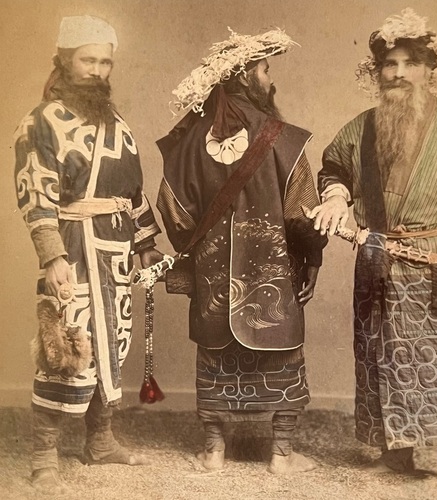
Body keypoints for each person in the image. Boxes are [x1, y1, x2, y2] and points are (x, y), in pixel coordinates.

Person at [307, 8, 437, 494]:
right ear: (376, 73)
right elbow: (334, 168)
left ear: (430, 69)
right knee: (380, 356)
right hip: (375, 259)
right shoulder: (362, 128)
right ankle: (396, 453)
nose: (398, 73)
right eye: (389, 65)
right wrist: (335, 195)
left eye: (410, 63)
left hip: (435, 263)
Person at [156, 28, 327, 474]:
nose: (272, 80)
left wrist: (196, 257)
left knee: (213, 356)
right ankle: (282, 456)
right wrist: (311, 257)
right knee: (283, 352)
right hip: (273, 275)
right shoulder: (284, 138)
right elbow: (303, 212)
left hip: (213, 281)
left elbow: (173, 210)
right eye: (266, 69)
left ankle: (213, 451)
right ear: (248, 76)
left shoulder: (189, 141)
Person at [14, 15, 163, 493]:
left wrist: (146, 245)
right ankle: (44, 453)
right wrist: (52, 255)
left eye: (105, 61)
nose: (97, 70)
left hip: (115, 252)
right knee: (65, 347)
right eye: (87, 60)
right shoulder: (41, 121)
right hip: (74, 246)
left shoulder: (117, 123)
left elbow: (133, 192)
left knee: (111, 344)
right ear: (64, 60)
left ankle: (100, 440)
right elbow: (35, 193)